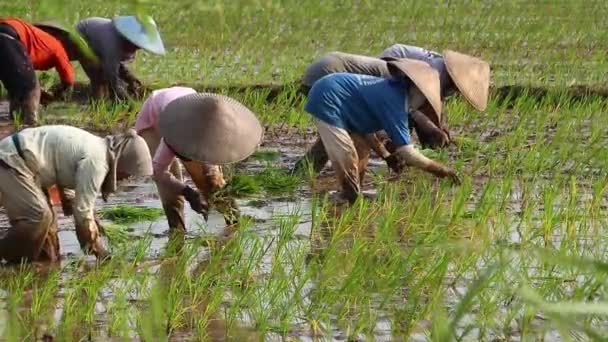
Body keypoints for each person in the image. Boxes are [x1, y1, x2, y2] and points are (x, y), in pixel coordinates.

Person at [294, 48, 490, 174]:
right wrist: (402, 150)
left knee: (343, 135)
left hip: (330, 70)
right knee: (355, 141)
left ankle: (300, 176)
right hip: (329, 73)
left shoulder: (428, 74)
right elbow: (407, 114)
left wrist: (388, 153)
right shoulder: (403, 84)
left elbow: (418, 113)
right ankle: (348, 193)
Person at [303, 58, 460, 203]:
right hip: (327, 97)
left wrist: (385, 156)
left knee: (361, 150)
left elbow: (367, 131)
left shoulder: (394, 93)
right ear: (418, 91)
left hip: (344, 103)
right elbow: (407, 153)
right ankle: (347, 195)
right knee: (346, 157)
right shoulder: (395, 100)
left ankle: (353, 193)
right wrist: (441, 170)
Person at [0, 125, 152, 263]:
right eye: (127, 173)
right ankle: (14, 265)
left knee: (49, 234)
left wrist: (89, 216)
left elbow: (66, 173)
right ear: (121, 161)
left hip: (28, 163)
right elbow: (82, 211)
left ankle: (41, 271)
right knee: (39, 217)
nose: (125, 178)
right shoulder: (97, 162)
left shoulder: (97, 148)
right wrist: (99, 249)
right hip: (13, 158)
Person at [136, 91, 263, 233]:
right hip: (153, 122)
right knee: (170, 190)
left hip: (194, 116)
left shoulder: (216, 127)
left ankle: (234, 224)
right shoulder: (176, 134)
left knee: (212, 181)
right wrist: (188, 192)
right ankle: (177, 232)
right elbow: (158, 172)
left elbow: (211, 165)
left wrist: (211, 176)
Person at [0, 18, 75, 125]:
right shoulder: (57, 46)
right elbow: (69, 79)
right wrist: (60, 95)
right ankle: (30, 126)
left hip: (7, 32)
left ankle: (15, 122)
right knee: (31, 89)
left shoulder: (36, 38)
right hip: (8, 35)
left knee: (17, 90)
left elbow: (18, 76)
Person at [76, 15, 165, 100]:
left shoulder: (120, 41)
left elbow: (116, 64)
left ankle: (106, 101)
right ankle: (98, 103)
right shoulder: (112, 43)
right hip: (83, 39)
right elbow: (111, 74)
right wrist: (125, 98)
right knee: (100, 77)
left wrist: (131, 79)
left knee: (111, 72)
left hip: (99, 43)